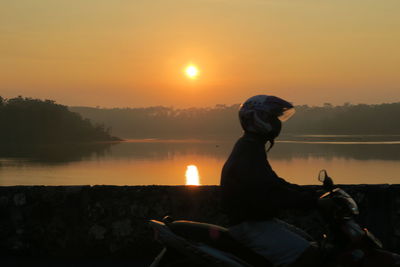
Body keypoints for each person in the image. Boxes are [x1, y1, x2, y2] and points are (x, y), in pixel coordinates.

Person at [220, 95, 321, 266]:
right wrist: (310, 201)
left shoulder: (251, 146)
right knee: (307, 255)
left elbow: (274, 183)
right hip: (251, 226)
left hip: (259, 222)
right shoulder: (249, 150)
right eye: (272, 117)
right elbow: (270, 191)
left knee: (310, 242)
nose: (277, 123)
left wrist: (311, 194)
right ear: (258, 119)